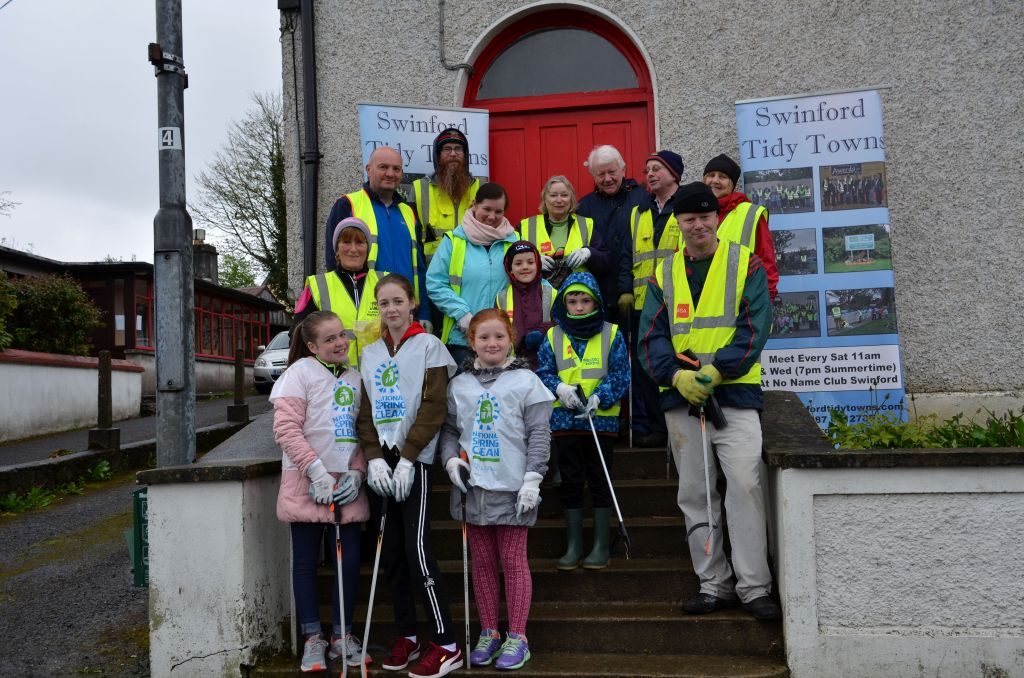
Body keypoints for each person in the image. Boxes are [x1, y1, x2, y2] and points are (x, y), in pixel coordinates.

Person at [638, 182, 780, 621]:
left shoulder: (746, 264)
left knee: (744, 486)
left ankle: (755, 586)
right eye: (688, 219)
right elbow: (650, 337)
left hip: (734, 396)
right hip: (684, 401)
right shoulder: (664, 273)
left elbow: (755, 327)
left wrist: (718, 370)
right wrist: (677, 377)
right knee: (696, 495)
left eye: (704, 217)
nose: (697, 225)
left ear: (716, 219)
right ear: (677, 224)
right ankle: (713, 584)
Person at [355, 274, 463, 677]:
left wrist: (409, 457)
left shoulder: (430, 346)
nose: (391, 309)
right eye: (383, 303)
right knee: (393, 556)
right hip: (382, 467)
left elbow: (434, 407)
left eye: (398, 301)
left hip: (412, 463)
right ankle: (408, 634)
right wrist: (373, 457)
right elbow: (364, 412)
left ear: (412, 303)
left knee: (418, 551)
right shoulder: (369, 353)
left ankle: (446, 641)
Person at [439, 309, 553, 670]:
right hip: (474, 487)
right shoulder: (458, 385)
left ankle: (517, 637)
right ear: (471, 342)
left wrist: (533, 478)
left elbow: (539, 434)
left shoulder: (526, 381)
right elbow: (450, 431)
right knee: (483, 563)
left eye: (499, 337)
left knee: (514, 562)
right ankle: (489, 631)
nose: (492, 344)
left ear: (510, 341)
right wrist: (450, 461)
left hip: (513, 486)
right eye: (483, 337)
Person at [271, 310, 370, 672]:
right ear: (312, 346)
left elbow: (362, 434)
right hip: (307, 481)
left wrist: (358, 474)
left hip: (346, 483)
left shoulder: (357, 378)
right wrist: (315, 472)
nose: (340, 342)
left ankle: (343, 635)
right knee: (305, 563)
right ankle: (312, 636)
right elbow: (286, 430)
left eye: (341, 335)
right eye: (329, 339)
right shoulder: (297, 374)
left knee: (349, 562)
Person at [536, 272, 629, 570]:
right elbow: (544, 373)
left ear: (596, 302)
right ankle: (574, 545)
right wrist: (559, 389)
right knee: (571, 481)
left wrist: (601, 396)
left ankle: (601, 546)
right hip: (565, 423)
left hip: (600, 422)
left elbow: (620, 373)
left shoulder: (612, 334)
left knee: (600, 479)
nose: (578, 307)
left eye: (584, 300)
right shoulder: (553, 335)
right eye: (572, 301)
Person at [323, 146, 429, 324]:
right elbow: (334, 262)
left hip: (408, 314)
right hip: (368, 314)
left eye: (396, 169)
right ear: (368, 169)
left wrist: (425, 312)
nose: (390, 173)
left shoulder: (409, 212)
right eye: (383, 167)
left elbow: (419, 266)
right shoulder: (347, 204)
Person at [625, 150, 685, 447]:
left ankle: (673, 426)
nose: (649, 173)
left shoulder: (685, 207)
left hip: (677, 303)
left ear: (674, 174)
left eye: (657, 168)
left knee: (675, 363)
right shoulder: (639, 210)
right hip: (642, 303)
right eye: (647, 168)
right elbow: (628, 255)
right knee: (645, 364)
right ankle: (654, 427)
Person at [426, 182, 520, 367]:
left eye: (498, 211)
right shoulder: (454, 241)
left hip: (501, 341)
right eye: (486, 209)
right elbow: (434, 283)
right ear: (474, 205)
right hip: (462, 339)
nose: (492, 216)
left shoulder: (514, 241)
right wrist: (462, 314)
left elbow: (526, 283)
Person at [576, 145, 647, 325]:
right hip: (597, 297)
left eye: (612, 172)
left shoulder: (643, 199)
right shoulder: (584, 207)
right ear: (593, 175)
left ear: (623, 169)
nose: (607, 179)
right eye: (601, 174)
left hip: (638, 296)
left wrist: (627, 288)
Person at [294, 217, 378, 367]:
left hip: (380, 382)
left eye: (359, 242)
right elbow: (299, 337)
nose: (353, 249)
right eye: (346, 242)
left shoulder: (385, 282)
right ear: (337, 249)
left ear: (367, 248)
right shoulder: (316, 285)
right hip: (333, 383)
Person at [702, 154, 779, 301]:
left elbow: (766, 260)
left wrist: (766, 300)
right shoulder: (690, 214)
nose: (715, 180)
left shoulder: (750, 214)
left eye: (722, 176)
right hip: (698, 302)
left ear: (733, 184)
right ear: (704, 179)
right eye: (711, 175)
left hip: (741, 304)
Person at [518, 175, 610, 290]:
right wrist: (531, 259)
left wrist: (589, 253)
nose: (559, 200)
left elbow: (605, 262)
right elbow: (511, 260)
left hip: (576, 299)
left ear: (571, 199)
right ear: (544, 199)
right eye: (553, 195)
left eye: (564, 195)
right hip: (539, 296)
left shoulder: (586, 224)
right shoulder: (527, 226)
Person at [411, 128, 480, 266]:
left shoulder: (479, 188)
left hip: (471, 270)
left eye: (458, 149)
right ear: (437, 155)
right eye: (447, 149)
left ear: (465, 155)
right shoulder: (419, 188)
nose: (453, 154)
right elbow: (410, 236)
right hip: (432, 272)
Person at [495, 240, 555, 369]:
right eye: (518, 263)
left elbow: (562, 326)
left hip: (548, 367)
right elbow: (497, 334)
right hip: (513, 367)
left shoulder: (551, 293)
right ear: (510, 268)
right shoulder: (502, 298)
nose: (525, 267)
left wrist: (542, 332)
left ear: (538, 264)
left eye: (530, 262)